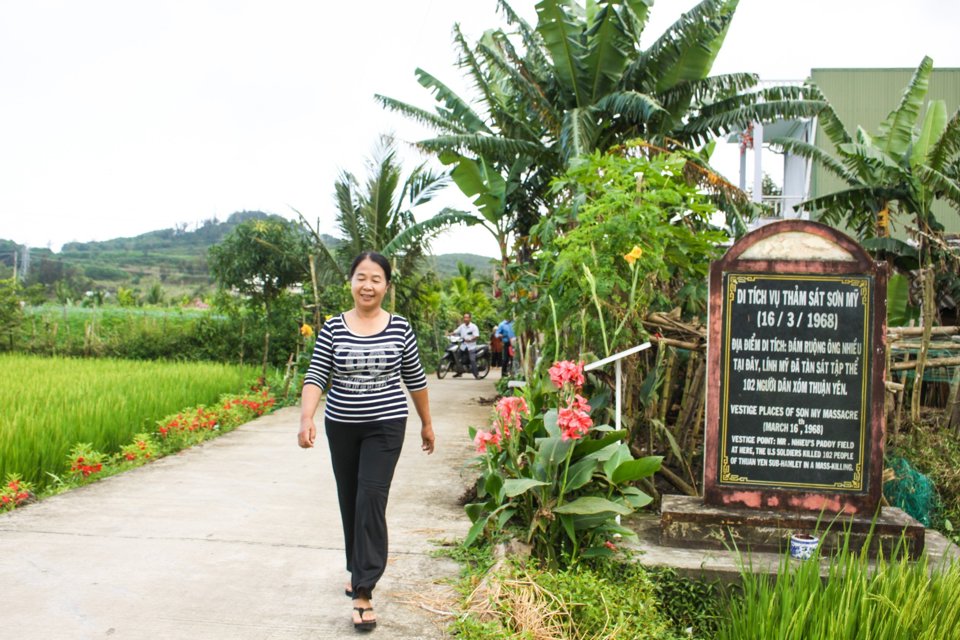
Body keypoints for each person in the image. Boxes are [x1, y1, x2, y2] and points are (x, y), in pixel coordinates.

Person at [298, 251, 435, 632]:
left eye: (376, 278)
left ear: (386, 286)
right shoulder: (333, 328)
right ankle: (356, 567)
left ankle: (363, 590)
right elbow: (316, 375)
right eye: (361, 277)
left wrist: (427, 423)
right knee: (350, 498)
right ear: (351, 282)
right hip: (342, 425)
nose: (368, 285)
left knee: (371, 498)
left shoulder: (400, 328)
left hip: (386, 425)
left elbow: (416, 378)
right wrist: (306, 416)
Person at [449, 311, 480, 378]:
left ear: (470, 318)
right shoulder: (462, 326)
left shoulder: (473, 327)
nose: (465, 319)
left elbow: (476, 336)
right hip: (463, 346)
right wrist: (450, 334)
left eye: (467, 317)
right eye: (464, 317)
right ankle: (459, 372)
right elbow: (456, 331)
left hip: (471, 347)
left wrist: (470, 339)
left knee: (472, 360)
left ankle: (476, 375)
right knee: (456, 357)